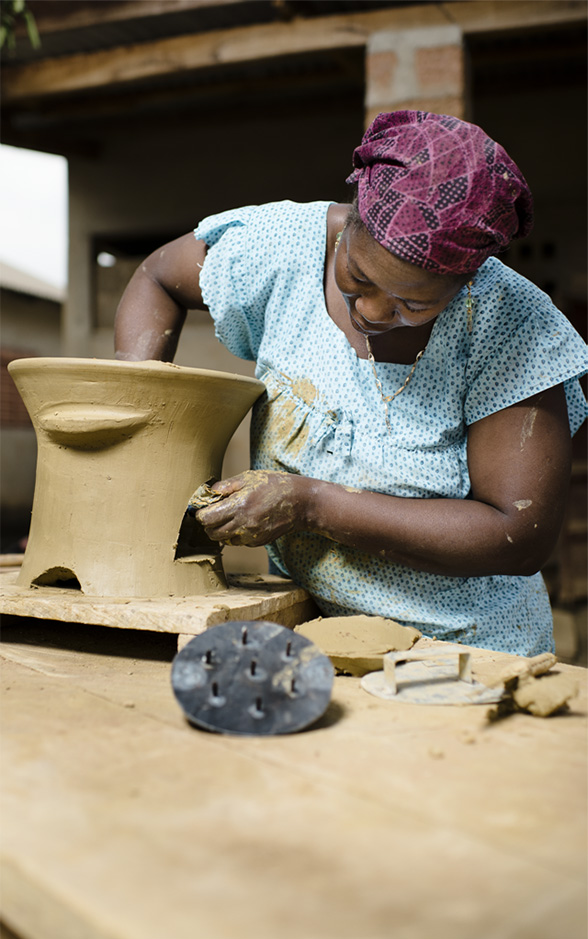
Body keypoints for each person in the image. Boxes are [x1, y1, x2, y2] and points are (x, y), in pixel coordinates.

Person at [114, 110, 588, 656]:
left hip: (467, 650)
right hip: (314, 626)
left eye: (416, 303)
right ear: (352, 220)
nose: (374, 311)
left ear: (467, 279)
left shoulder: (510, 324)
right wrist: (139, 435)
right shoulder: (282, 248)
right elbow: (157, 278)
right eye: (358, 279)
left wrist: (312, 504)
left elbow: (517, 536)